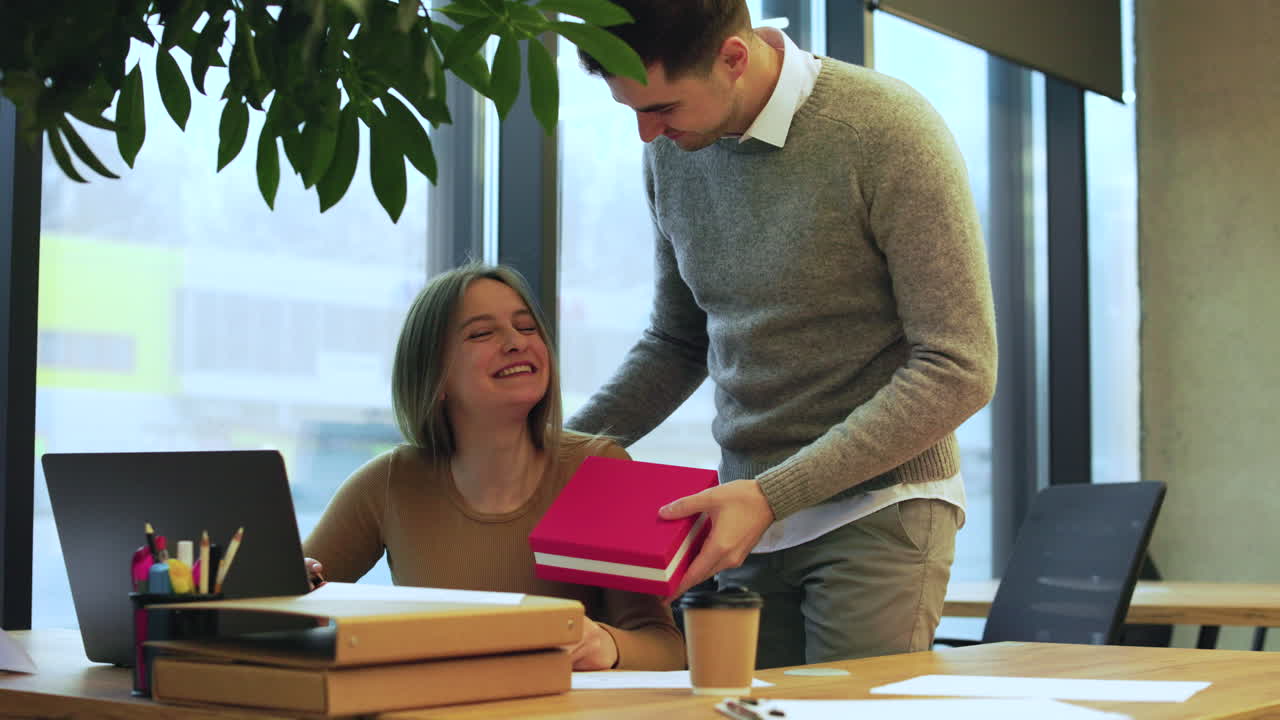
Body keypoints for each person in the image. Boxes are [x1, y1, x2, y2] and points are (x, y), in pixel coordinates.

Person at [569, 1, 998, 668]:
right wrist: (556, 451)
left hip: (876, 507)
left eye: (663, 109)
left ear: (734, 59)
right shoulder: (675, 154)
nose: (646, 136)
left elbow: (959, 364)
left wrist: (773, 496)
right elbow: (678, 343)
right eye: (632, 111)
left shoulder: (884, 130)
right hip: (741, 520)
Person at [302, 263, 685, 671]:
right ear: (435, 375)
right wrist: (287, 588)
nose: (516, 342)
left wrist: (607, 644)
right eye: (481, 333)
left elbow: (666, 647)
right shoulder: (388, 483)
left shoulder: (603, 470)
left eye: (527, 327)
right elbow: (274, 608)